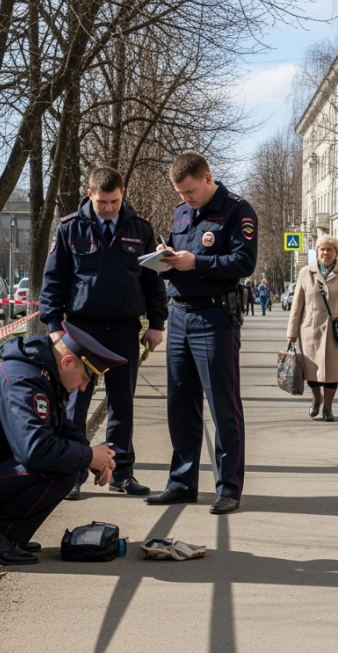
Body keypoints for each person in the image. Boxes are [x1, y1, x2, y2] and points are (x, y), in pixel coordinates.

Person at [0, 322, 126, 565]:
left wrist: (93, 456)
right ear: (66, 362)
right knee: (63, 469)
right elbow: (35, 451)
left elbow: (63, 427)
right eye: (85, 378)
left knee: (70, 461)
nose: (83, 387)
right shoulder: (25, 382)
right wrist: (87, 456)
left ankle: (7, 532)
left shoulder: (42, 374)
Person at [38, 167, 168, 501]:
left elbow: (152, 282)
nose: (108, 208)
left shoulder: (140, 228)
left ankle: (121, 472)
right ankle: (75, 473)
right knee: (75, 405)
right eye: (101, 202)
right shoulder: (69, 229)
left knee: (122, 405)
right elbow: (53, 282)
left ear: (122, 194)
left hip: (125, 329)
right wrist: (54, 328)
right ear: (89, 193)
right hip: (82, 331)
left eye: (114, 201)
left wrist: (156, 324)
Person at [146, 152, 257, 515]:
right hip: (181, 315)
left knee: (223, 405)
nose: (186, 199)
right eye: (180, 193)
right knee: (180, 404)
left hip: (215, 316)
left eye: (190, 191)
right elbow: (181, 261)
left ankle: (228, 487)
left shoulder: (238, 211)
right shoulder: (181, 213)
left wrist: (198, 262)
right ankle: (181, 483)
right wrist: (165, 261)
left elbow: (243, 263)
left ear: (207, 178)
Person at [286, 235, 338, 422]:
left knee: (332, 371)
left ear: (336, 252)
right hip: (310, 330)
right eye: (322, 249)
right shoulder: (306, 273)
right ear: (317, 251)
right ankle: (317, 399)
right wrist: (292, 332)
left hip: (335, 331)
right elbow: (297, 305)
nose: (325, 253)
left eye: (329, 249)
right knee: (311, 371)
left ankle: (328, 408)